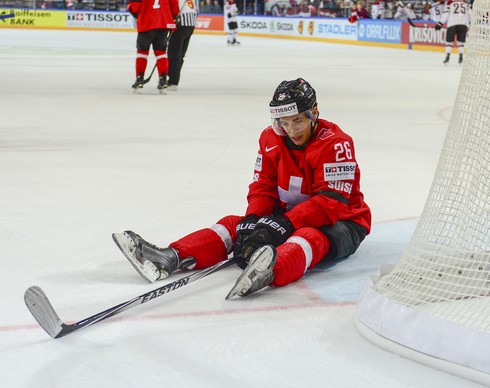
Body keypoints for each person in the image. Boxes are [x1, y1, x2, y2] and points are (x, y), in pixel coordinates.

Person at [113, 78, 372, 299]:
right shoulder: (270, 138)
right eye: (283, 122)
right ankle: (169, 257)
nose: (290, 130)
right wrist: (253, 220)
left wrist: (285, 224)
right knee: (234, 225)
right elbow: (263, 185)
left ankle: (270, 269)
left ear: (313, 113)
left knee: (307, 237)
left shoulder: (336, 144)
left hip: (343, 223)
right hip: (289, 216)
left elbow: (330, 202)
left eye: (297, 122)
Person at [127, 0, 179, 94]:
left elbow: (135, 7)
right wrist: (174, 16)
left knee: (142, 52)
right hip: (163, 21)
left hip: (147, 21)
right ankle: (163, 81)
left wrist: (132, 8)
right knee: (161, 53)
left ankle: (139, 80)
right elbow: (174, 4)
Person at [167, 0, 198, 91]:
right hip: (191, 23)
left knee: (174, 54)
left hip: (181, 23)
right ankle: (174, 79)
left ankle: (173, 81)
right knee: (180, 54)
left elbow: (173, 8)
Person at [435, 0, 471, 65]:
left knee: (449, 42)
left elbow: (446, 14)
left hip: (452, 24)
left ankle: (447, 57)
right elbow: (471, 14)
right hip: (463, 24)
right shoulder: (466, 4)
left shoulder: (450, 3)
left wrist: (440, 23)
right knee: (461, 43)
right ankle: (461, 57)